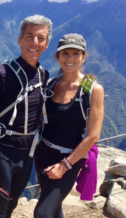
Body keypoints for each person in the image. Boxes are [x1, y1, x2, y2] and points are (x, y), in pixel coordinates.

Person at [0, 15, 52, 218]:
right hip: (2, 153)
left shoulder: (44, 75)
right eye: (29, 36)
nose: (34, 43)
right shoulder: (0, 75)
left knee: (10, 207)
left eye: (40, 38)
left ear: (47, 43)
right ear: (19, 40)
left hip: (27, 154)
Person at [33, 33, 104, 218]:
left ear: (83, 57)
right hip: (43, 154)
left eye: (75, 53)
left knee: (42, 213)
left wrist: (65, 165)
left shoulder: (91, 89)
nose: (70, 58)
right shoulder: (50, 84)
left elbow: (93, 136)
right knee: (54, 208)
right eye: (65, 53)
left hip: (69, 159)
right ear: (57, 57)